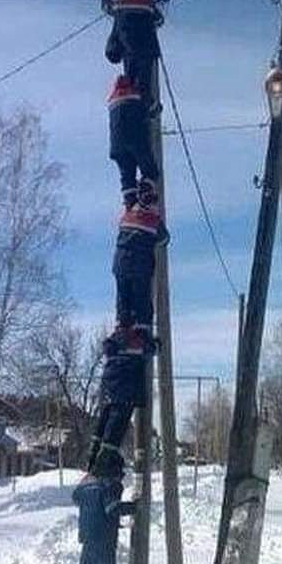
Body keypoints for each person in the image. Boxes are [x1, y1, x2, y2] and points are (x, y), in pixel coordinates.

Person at [111, 194, 169, 354]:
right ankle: (142, 331)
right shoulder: (153, 220)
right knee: (142, 298)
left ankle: (122, 328)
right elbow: (164, 240)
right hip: (140, 267)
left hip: (120, 264)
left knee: (123, 297)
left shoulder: (127, 216)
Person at [88, 352, 147, 478]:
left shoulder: (113, 348)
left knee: (105, 418)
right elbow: (149, 349)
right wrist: (152, 346)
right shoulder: (134, 346)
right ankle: (103, 463)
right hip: (127, 386)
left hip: (110, 385)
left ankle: (94, 456)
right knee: (116, 424)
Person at [104, 0, 160, 111]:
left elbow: (113, 48)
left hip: (131, 53)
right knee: (144, 83)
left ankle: (144, 107)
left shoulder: (121, 8)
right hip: (148, 49)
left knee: (134, 85)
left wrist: (113, 53)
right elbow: (157, 18)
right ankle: (148, 106)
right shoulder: (147, 5)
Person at [107, 74, 159, 208]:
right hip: (135, 139)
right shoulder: (136, 95)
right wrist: (155, 109)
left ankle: (130, 200)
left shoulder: (113, 101)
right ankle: (146, 192)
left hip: (117, 147)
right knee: (149, 169)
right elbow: (150, 107)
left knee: (127, 173)